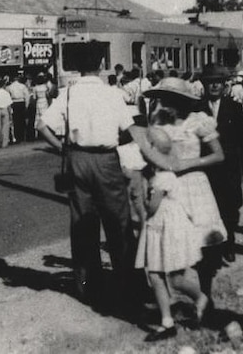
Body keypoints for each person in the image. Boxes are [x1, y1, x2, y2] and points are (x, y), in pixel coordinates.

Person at [38, 41, 155, 312]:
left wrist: (63, 149)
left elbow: (42, 125)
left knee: (83, 224)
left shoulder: (67, 94)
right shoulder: (112, 94)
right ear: (102, 65)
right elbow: (129, 128)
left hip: (77, 159)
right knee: (118, 222)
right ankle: (130, 286)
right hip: (106, 160)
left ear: (77, 67)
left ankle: (88, 287)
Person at [141, 77, 227, 300]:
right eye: (163, 98)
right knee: (176, 242)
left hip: (196, 185)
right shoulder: (158, 122)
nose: (165, 103)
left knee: (203, 244)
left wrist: (188, 163)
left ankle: (206, 298)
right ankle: (176, 299)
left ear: (182, 101)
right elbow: (152, 152)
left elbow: (219, 155)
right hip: (171, 188)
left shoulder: (198, 121)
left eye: (171, 99)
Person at [135, 127, 208, 343]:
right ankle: (189, 306)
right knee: (168, 276)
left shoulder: (160, 180)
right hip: (170, 228)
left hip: (163, 228)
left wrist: (140, 197)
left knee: (162, 275)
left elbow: (151, 208)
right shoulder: (165, 174)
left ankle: (175, 316)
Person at [198, 64, 243, 264]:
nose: (214, 86)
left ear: (224, 85)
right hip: (206, 168)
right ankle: (213, 247)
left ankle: (229, 242)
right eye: (210, 83)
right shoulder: (197, 108)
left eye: (218, 83)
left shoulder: (235, 107)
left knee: (231, 207)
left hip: (230, 167)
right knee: (209, 207)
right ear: (204, 84)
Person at [7, 74, 30, 143]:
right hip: (21, 102)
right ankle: (22, 136)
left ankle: (17, 137)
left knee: (15, 120)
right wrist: (26, 105)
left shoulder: (9, 87)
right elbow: (27, 96)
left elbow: (8, 97)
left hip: (14, 103)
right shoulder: (22, 86)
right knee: (22, 120)